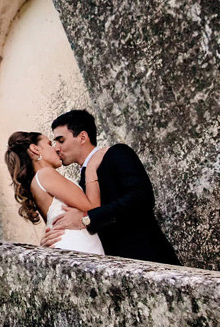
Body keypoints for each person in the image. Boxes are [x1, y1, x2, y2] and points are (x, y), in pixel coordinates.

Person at [42, 110, 180, 265]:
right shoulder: (79, 185)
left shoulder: (116, 154)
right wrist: (54, 237)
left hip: (150, 261)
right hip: (115, 272)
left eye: (61, 140)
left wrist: (87, 218)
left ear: (82, 137)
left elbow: (141, 198)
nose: (56, 148)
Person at [5, 131, 105, 254]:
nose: (56, 149)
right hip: (78, 244)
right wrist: (91, 168)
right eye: (49, 144)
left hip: (70, 245)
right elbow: (92, 207)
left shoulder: (36, 182)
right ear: (35, 149)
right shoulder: (45, 174)